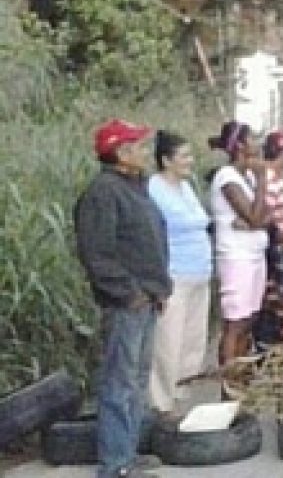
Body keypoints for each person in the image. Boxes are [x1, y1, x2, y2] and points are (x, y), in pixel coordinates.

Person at [75, 119, 170, 478]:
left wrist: (158, 290)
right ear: (120, 153)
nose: (146, 152)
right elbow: (96, 253)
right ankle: (115, 464)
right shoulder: (102, 193)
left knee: (136, 380)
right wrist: (128, 293)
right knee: (120, 383)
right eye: (137, 146)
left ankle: (128, 453)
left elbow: (148, 244)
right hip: (127, 303)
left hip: (146, 299)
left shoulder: (135, 187)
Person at [146, 131, 212, 421]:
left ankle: (180, 397)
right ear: (166, 160)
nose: (190, 161)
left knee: (192, 342)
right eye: (184, 156)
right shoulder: (154, 189)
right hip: (174, 275)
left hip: (199, 273)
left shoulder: (186, 187)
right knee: (168, 342)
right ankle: (161, 402)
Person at [208, 122, 270, 370]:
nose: (258, 143)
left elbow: (265, 216)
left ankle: (241, 378)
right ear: (241, 146)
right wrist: (263, 179)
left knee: (249, 320)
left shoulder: (247, 178)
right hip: (237, 257)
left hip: (254, 254)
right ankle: (229, 384)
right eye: (253, 139)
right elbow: (257, 217)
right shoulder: (227, 177)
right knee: (235, 323)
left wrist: (255, 221)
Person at [253, 132, 283, 350]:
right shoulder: (269, 178)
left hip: (281, 248)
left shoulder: (275, 177)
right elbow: (266, 213)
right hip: (275, 250)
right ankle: (267, 351)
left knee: (279, 302)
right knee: (274, 305)